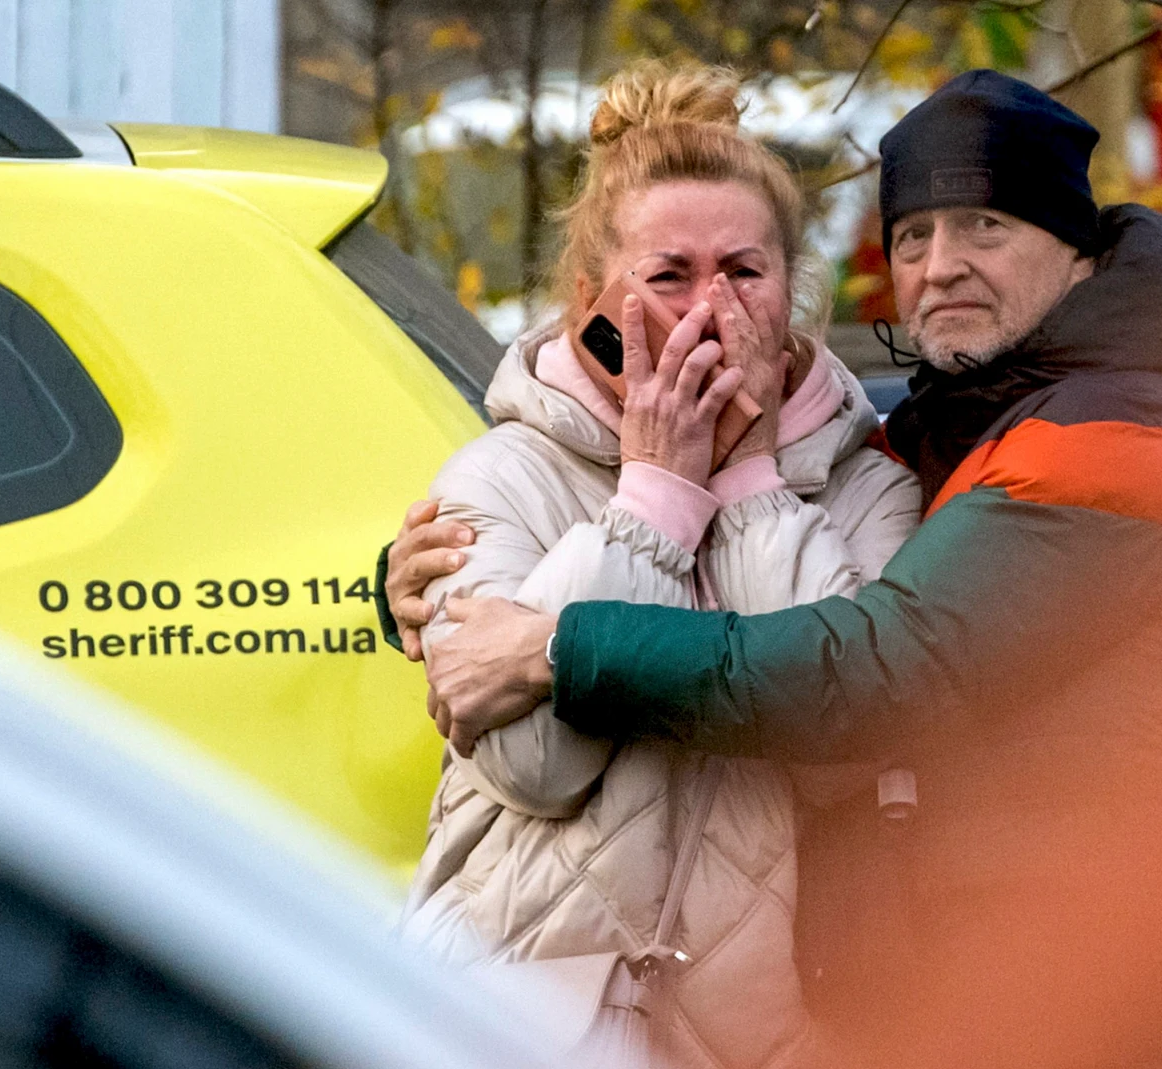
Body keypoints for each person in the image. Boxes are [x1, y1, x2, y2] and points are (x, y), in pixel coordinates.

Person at [392, 71, 1162, 1066]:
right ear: (592, 298)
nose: (942, 267)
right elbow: (524, 752)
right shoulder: (943, 433)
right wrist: (423, 583)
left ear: (1078, 256)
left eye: (986, 226)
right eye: (912, 237)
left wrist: (554, 639)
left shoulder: (1108, 437)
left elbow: (867, 679)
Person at [391, 59, 921, 1069]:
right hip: (514, 1026)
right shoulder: (499, 477)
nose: (709, 308)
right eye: (668, 275)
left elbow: (840, 750)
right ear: (593, 297)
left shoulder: (869, 489)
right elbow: (531, 766)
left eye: (744, 271)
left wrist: (755, 481)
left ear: (791, 293)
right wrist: (653, 501)